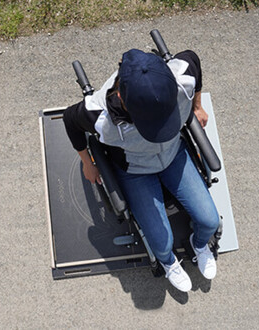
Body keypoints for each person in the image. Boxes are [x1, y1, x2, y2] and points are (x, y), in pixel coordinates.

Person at [63, 48, 219, 292]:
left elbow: (193, 59)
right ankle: (169, 263)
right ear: (124, 101)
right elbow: (70, 120)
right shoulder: (99, 116)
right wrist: (87, 162)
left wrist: (197, 105)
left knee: (210, 221)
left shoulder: (182, 77)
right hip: (134, 169)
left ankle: (198, 245)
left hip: (173, 154)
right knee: (162, 243)